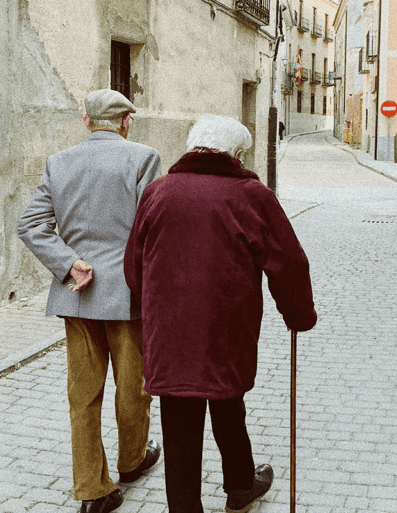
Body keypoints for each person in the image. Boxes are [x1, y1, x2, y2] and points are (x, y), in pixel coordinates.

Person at [123, 114, 317, 513]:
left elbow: (133, 265)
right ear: (238, 153)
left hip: (170, 332)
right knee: (229, 403)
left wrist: (157, 307)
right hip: (226, 328)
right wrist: (299, 314)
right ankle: (241, 488)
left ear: (192, 147)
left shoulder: (158, 192)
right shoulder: (251, 195)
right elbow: (289, 263)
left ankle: (192, 504)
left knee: (178, 422)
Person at [17, 89, 163, 513]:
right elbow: (151, 227)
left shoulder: (59, 162)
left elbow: (30, 225)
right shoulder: (144, 157)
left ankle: (93, 491)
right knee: (133, 387)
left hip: (77, 294)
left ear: (85, 120)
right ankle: (132, 460)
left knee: (82, 395)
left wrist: (68, 264)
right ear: (125, 121)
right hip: (128, 295)